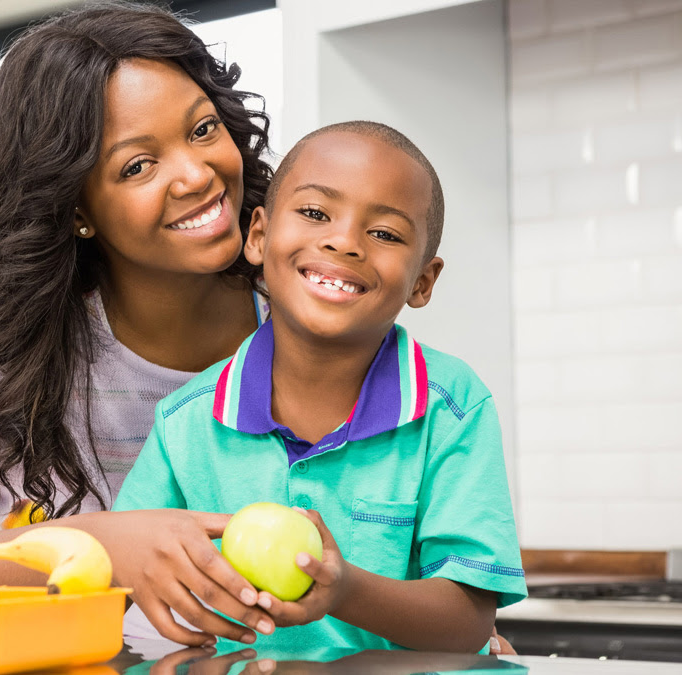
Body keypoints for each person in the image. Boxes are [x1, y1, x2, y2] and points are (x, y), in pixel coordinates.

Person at [0, 1, 279, 648]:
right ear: (74, 208)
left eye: (202, 130)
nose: (197, 175)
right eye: (137, 166)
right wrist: (99, 544)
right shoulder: (10, 354)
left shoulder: (299, 313)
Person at [112, 121, 527, 653]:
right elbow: (116, 574)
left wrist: (345, 590)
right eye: (314, 213)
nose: (344, 241)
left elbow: (468, 621)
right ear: (258, 235)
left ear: (422, 281)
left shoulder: (452, 406)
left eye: (385, 234)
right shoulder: (185, 420)